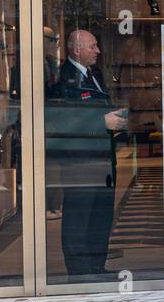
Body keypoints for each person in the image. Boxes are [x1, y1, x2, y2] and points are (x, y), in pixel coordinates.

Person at [47, 29, 127, 278]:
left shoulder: (95, 74)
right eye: (92, 46)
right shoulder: (62, 77)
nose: (98, 51)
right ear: (76, 49)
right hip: (79, 161)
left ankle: (96, 267)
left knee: (101, 215)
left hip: (103, 158)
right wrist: (102, 121)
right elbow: (63, 119)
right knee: (79, 216)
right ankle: (79, 271)